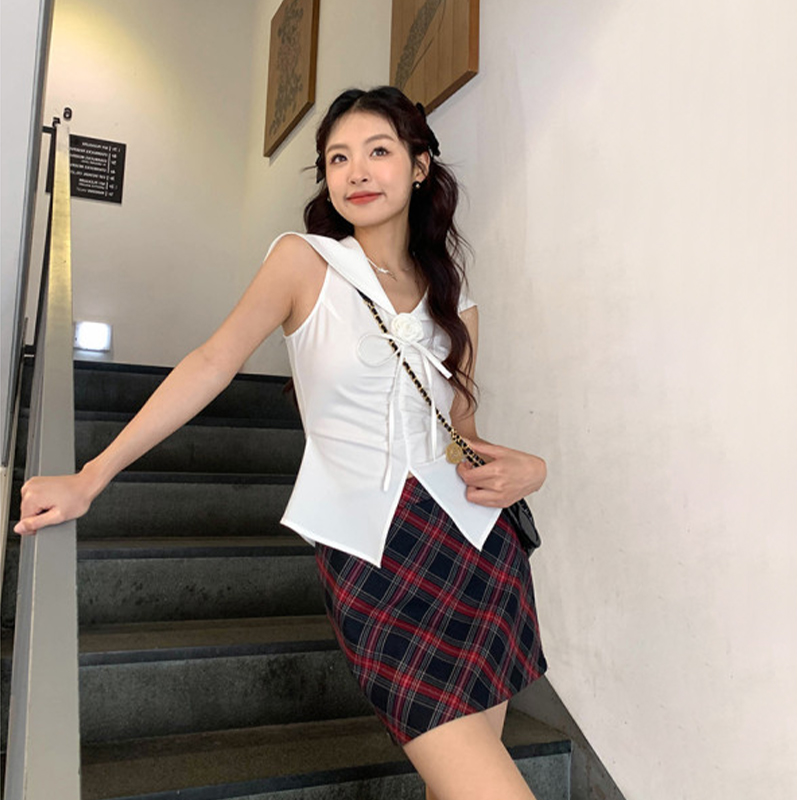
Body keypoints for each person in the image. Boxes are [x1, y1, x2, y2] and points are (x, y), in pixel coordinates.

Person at [15, 86, 548, 800]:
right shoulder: (304, 261)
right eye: (339, 158)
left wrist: (529, 470)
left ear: (420, 166)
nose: (357, 171)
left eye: (378, 151)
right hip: (371, 557)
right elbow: (212, 362)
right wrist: (91, 474)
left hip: (478, 554)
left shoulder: (456, 299)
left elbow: (461, 438)